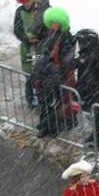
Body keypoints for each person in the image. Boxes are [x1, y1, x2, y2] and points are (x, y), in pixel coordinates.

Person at [33, 7, 77, 138]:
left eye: (55, 22)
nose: (53, 25)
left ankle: (60, 124)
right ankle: (47, 124)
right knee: (48, 100)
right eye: (51, 22)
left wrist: (57, 70)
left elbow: (67, 57)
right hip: (51, 71)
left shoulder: (66, 36)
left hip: (61, 73)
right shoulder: (51, 32)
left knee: (61, 99)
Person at [75, 28, 99, 148]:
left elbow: (87, 75)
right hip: (95, 90)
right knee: (96, 115)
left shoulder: (89, 56)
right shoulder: (93, 50)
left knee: (96, 115)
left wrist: (81, 89)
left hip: (93, 91)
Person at [13, 0, 48, 93]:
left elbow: (47, 27)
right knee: (28, 71)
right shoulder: (19, 12)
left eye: (27, 1)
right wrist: (26, 39)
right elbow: (17, 30)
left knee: (43, 70)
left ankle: (42, 92)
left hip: (42, 45)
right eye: (23, 2)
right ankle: (32, 91)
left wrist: (39, 37)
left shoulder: (42, 10)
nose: (25, 4)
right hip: (26, 46)